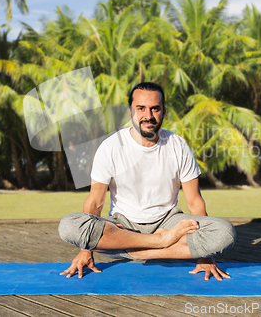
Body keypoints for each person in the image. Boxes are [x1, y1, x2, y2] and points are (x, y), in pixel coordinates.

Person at [58, 82, 236, 280]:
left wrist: (206, 257)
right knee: (69, 225)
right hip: (123, 226)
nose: (148, 116)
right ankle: (160, 242)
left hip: (169, 222)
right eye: (140, 108)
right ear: (130, 112)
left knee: (224, 232)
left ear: (163, 112)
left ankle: (139, 251)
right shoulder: (110, 147)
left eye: (155, 109)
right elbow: (95, 202)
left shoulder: (178, 145)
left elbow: (194, 201)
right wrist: (85, 251)